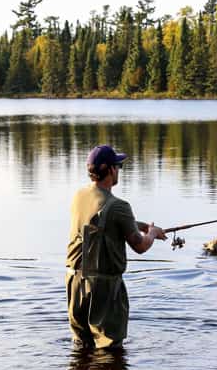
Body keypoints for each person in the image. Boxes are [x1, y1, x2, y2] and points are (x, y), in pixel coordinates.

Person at [66, 144, 166, 349]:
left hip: (75, 283)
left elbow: (99, 225)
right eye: (118, 166)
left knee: (81, 347)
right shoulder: (119, 206)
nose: (119, 170)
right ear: (110, 169)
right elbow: (140, 246)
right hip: (103, 288)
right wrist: (152, 234)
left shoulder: (79, 196)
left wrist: (142, 226)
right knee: (110, 350)